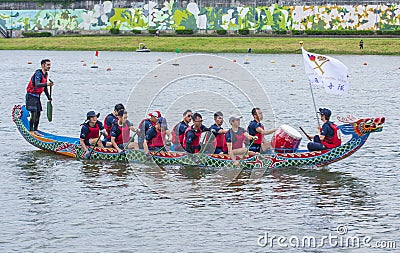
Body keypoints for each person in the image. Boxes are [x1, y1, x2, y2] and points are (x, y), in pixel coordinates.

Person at [25, 59, 54, 136]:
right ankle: (31, 131)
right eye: (47, 65)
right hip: (31, 96)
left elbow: (44, 88)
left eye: (49, 65)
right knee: (34, 113)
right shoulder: (38, 74)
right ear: (43, 65)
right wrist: (47, 84)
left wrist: (49, 97)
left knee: (38, 113)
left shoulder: (45, 74)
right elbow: (37, 84)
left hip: (37, 97)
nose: (49, 66)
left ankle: (35, 130)